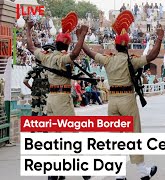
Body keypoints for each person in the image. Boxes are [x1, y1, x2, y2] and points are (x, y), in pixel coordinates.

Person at [81, 10, 164, 180]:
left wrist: (82, 37)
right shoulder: (131, 60)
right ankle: (143, 172)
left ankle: (119, 175)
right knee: (134, 135)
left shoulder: (107, 59)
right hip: (127, 100)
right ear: (126, 46)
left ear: (115, 46)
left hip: (113, 102)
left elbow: (89, 53)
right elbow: (152, 55)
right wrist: (160, 38)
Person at [26, 18, 91, 180]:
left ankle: (54, 171)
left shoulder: (46, 56)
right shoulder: (62, 58)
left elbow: (31, 46)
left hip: (51, 99)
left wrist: (28, 29)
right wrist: (82, 36)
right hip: (62, 98)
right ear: (67, 45)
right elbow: (75, 54)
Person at [23, 45, 51, 116]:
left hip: (35, 91)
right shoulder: (47, 69)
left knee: (35, 110)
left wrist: (31, 88)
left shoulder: (32, 69)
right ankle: (43, 125)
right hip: (45, 92)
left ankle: (34, 125)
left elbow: (25, 81)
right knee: (45, 110)